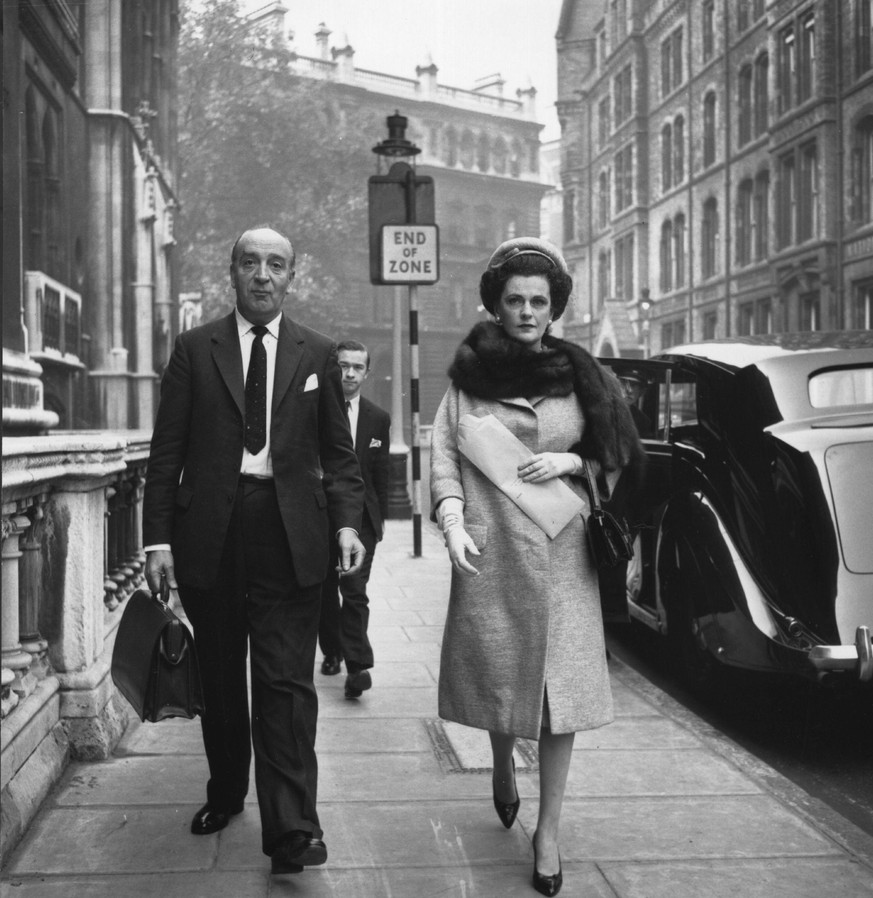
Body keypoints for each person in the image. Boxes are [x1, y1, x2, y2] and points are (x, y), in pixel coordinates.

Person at [141, 226, 366, 876]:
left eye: (275, 264)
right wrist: (156, 538)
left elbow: (339, 457)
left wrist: (347, 525)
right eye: (250, 263)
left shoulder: (317, 353)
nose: (262, 275)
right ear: (231, 272)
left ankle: (293, 830)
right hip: (209, 532)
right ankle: (224, 791)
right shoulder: (194, 349)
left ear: (291, 276)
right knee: (219, 673)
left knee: (285, 682)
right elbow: (167, 453)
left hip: (290, 532)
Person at [430, 237, 644, 897]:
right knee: (503, 679)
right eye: (514, 300)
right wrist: (447, 521)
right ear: (495, 304)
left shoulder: (580, 373)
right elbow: (443, 456)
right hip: (490, 551)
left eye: (538, 302)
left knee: (559, 703)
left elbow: (617, 455)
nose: (526, 312)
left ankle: (547, 832)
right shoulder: (467, 376)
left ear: (553, 309)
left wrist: (570, 462)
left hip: (563, 554)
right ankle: (500, 762)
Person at [318, 340, 390, 699]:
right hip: (321, 517)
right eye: (343, 366)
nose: (348, 373)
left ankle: (357, 665)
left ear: (366, 372)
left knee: (355, 590)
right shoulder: (315, 410)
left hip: (362, 521)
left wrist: (379, 522)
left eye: (356, 367)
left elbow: (381, 476)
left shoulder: (378, 418)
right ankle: (332, 651)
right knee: (325, 593)